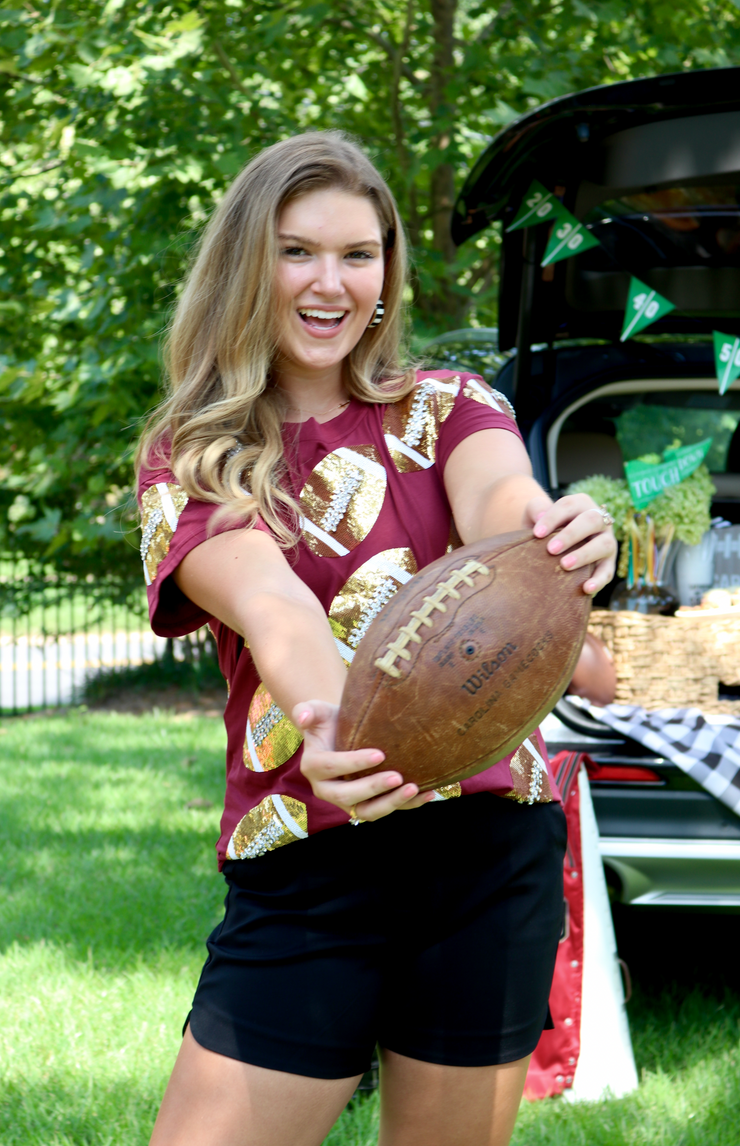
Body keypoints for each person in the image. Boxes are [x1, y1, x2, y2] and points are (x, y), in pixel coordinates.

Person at [136, 132, 617, 1146]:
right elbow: (275, 605)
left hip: (487, 851)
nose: (331, 282)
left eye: (359, 254)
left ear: (388, 274)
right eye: (296, 251)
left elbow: (500, 510)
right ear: (243, 265)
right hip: (313, 851)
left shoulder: (449, 406)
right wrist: (333, 732)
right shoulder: (194, 455)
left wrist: (562, 540)